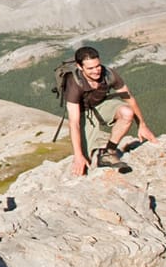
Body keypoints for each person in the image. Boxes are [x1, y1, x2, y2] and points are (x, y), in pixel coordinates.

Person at [64, 46, 157, 176]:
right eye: (90, 68)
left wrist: (141, 125)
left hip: (101, 104)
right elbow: (74, 123)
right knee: (85, 161)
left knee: (127, 112)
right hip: (83, 113)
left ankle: (108, 152)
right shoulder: (74, 83)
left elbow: (128, 97)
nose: (96, 71)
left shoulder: (109, 74)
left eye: (97, 66)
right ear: (80, 67)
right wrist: (78, 155)